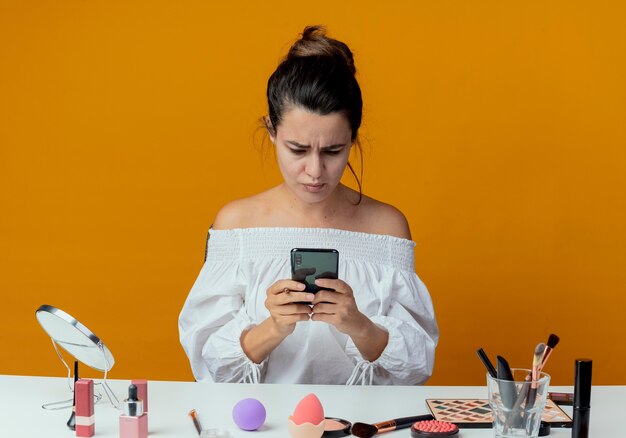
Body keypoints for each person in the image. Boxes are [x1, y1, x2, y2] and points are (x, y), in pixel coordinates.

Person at [178, 26, 438, 385]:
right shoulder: (236, 225)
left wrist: (359, 325)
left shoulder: (387, 227)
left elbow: (414, 367)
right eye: (297, 149)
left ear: (353, 138)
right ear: (271, 130)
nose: (315, 171)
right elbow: (209, 363)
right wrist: (274, 327)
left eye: (333, 151)